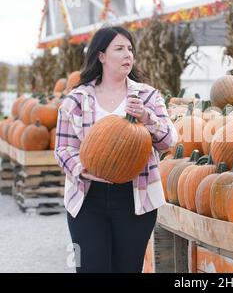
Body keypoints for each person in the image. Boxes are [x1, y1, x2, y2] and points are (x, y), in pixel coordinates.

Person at [54, 26, 177, 273]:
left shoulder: (148, 96)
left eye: (130, 49)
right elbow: (63, 148)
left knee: (127, 269)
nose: (127, 55)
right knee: (90, 268)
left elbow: (169, 141)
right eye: (119, 49)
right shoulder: (76, 99)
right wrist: (83, 169)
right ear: (101, 56)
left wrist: (146, 117)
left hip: (135, 196)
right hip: (88, 197)